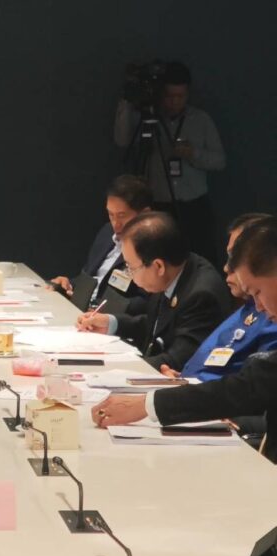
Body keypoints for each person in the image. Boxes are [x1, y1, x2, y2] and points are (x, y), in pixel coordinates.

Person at [91, 216, 277, 462]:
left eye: (257, 292)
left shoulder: (203, 290)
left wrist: (147, 405)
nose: (259, 306)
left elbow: (250, 388)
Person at [76, 211, 229, 370]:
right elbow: (157, 325)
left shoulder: (201, 296)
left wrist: (114, 368)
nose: (130, 274)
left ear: (158, 266)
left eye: (131, 267)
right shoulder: (172, 270)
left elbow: (177, 360)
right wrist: (112, 323)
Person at [113, 61, 225, 263]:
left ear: (188, 93)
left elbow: (219, 161)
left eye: (180, 96)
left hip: (193, 206)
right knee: (160, 261)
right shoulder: (148, 120)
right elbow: (122, 140)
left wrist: (193, 154)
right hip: (159, 206)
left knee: (201, 259)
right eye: (169, 96)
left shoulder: (200, 120)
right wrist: (127, 102)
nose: (174, 101)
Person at [165, 213, 277, 382]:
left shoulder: (271, 314)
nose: (227, 267)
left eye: (236, 258)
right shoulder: (249, 308)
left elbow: (252, 387)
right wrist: (184, 383)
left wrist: (188, 391)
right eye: (231, 256)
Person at [49, 175, 152, 312]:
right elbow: (91, 276)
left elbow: (149, 301)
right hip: (81, 309)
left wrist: (103, 309)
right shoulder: (107, 232)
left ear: (144, 214)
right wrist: (69, 284)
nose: (116, 224)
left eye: (122, 216)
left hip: (111, 318)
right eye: (111, 215)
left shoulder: (152, 247)